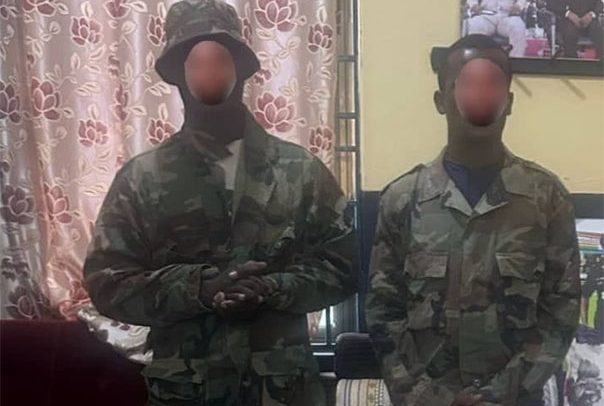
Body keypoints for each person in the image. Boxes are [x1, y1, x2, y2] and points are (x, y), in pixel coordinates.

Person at [83, 1, 359, 405]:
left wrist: (272, 288)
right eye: (195, 62)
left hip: (280, 392)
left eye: (221, 60)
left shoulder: (299, 170)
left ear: (242, 68)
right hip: (187, 392)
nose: (209, 72)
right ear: (177, 74)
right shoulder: (142, 178)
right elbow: (107, 283)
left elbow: (344, 266)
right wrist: (199, 288)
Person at [365, 34, 580, 406]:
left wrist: (500, 393)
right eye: (466, 83)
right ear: (440, 100)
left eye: (492, 84)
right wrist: (431, 397)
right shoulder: (402, 199)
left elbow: (561, 311)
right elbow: (383, 312)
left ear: (508, 102)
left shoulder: (546, 198)